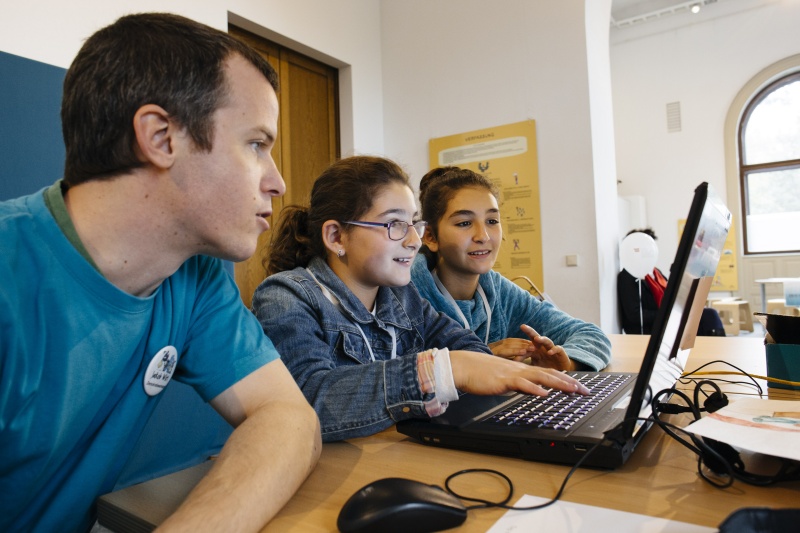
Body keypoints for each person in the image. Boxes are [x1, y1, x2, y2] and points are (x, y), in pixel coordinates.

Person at [0, 13, 320, 533]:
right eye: (256, 144)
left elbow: (287, 417)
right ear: (162, 137)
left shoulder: (194, 276)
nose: (278, 182)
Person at [252, 156, 590, 442]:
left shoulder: (399, 296)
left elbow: (469, 351)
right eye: (395, 224)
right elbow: (309, 402)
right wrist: (442, 370)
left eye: (413, 223)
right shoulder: (287, 296)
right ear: (336, 236)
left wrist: (483, 367)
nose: (414, 240)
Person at [411, 166, 611, 372]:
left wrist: (566, 362)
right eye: (464, 223)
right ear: (430, 237)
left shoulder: (497, 290)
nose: (483, 236)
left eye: (492, 221)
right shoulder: (405, 293)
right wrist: (482, 358)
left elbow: (592, 336)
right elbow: (392, 377)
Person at [618, 228, 725, 336]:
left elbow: (672, 292)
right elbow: (635, 316)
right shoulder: (628, 277)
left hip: (668, 319)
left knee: (708, 314)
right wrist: (668, 313)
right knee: (708, 317)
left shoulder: (655, 272)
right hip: (653, 327)